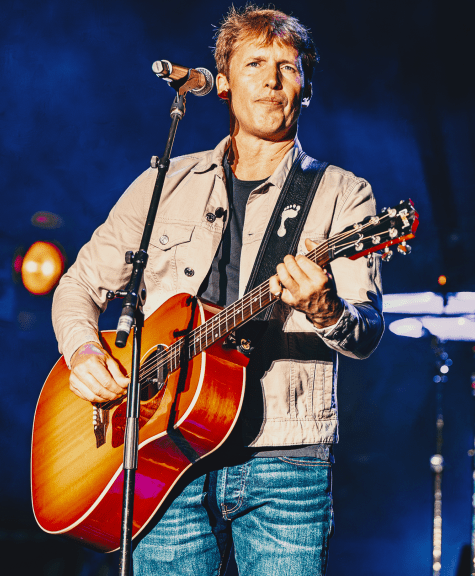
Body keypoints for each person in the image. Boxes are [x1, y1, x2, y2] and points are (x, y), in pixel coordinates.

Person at [50, 5, 384, 575]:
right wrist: (83, 351)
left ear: (306, 89)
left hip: (286, 460)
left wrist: (325, 308)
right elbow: (78, 284)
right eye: (255, 63)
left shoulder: (342, 195)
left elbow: (367, 331)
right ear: (223, 83)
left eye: (288, 67)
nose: (272, 79)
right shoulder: (164, 182)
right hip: (163, 449)